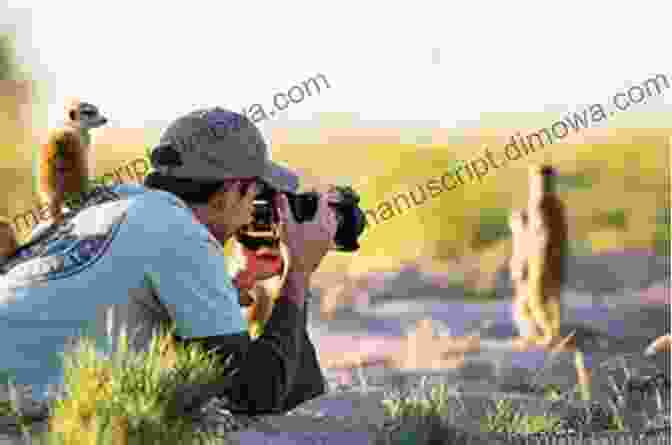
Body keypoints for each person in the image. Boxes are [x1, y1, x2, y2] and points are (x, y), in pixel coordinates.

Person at [0, 107, 338, 415]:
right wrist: (298, 273)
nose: (253, 210)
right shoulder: (181, 232)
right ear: (230, 191)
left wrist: (238, 281)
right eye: (255, 194)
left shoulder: (95, 207)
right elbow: (255, 393)